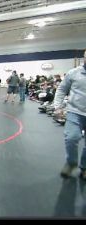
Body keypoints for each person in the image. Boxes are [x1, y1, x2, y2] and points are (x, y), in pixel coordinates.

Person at [54, 49, 86, 179]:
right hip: (75, 111)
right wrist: (57, 107)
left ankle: (84, 167)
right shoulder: (73, 73)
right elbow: (62, 89)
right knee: (71, 138)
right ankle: (71, 162)